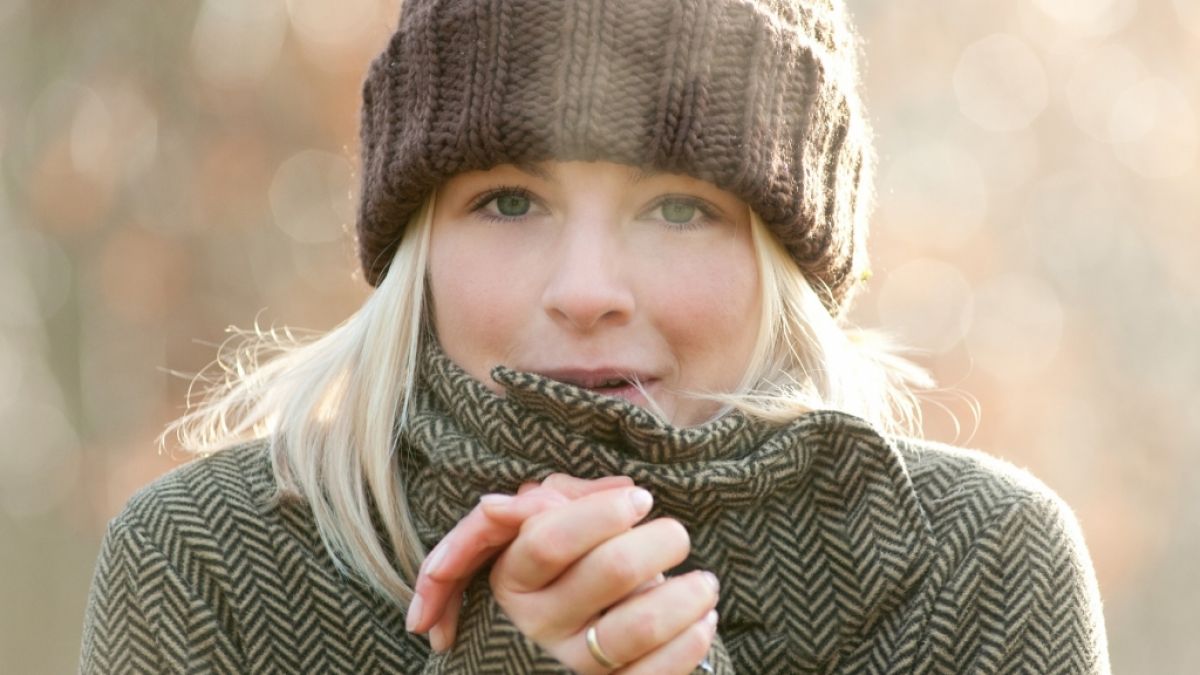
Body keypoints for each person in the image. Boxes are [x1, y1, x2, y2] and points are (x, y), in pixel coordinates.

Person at [80, 0, 1110, 672]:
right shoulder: (209, 560)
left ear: (782, 255)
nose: (586, 292)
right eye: (510, 201)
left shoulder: (980, 565)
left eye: (676, 208)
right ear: (419, 241)